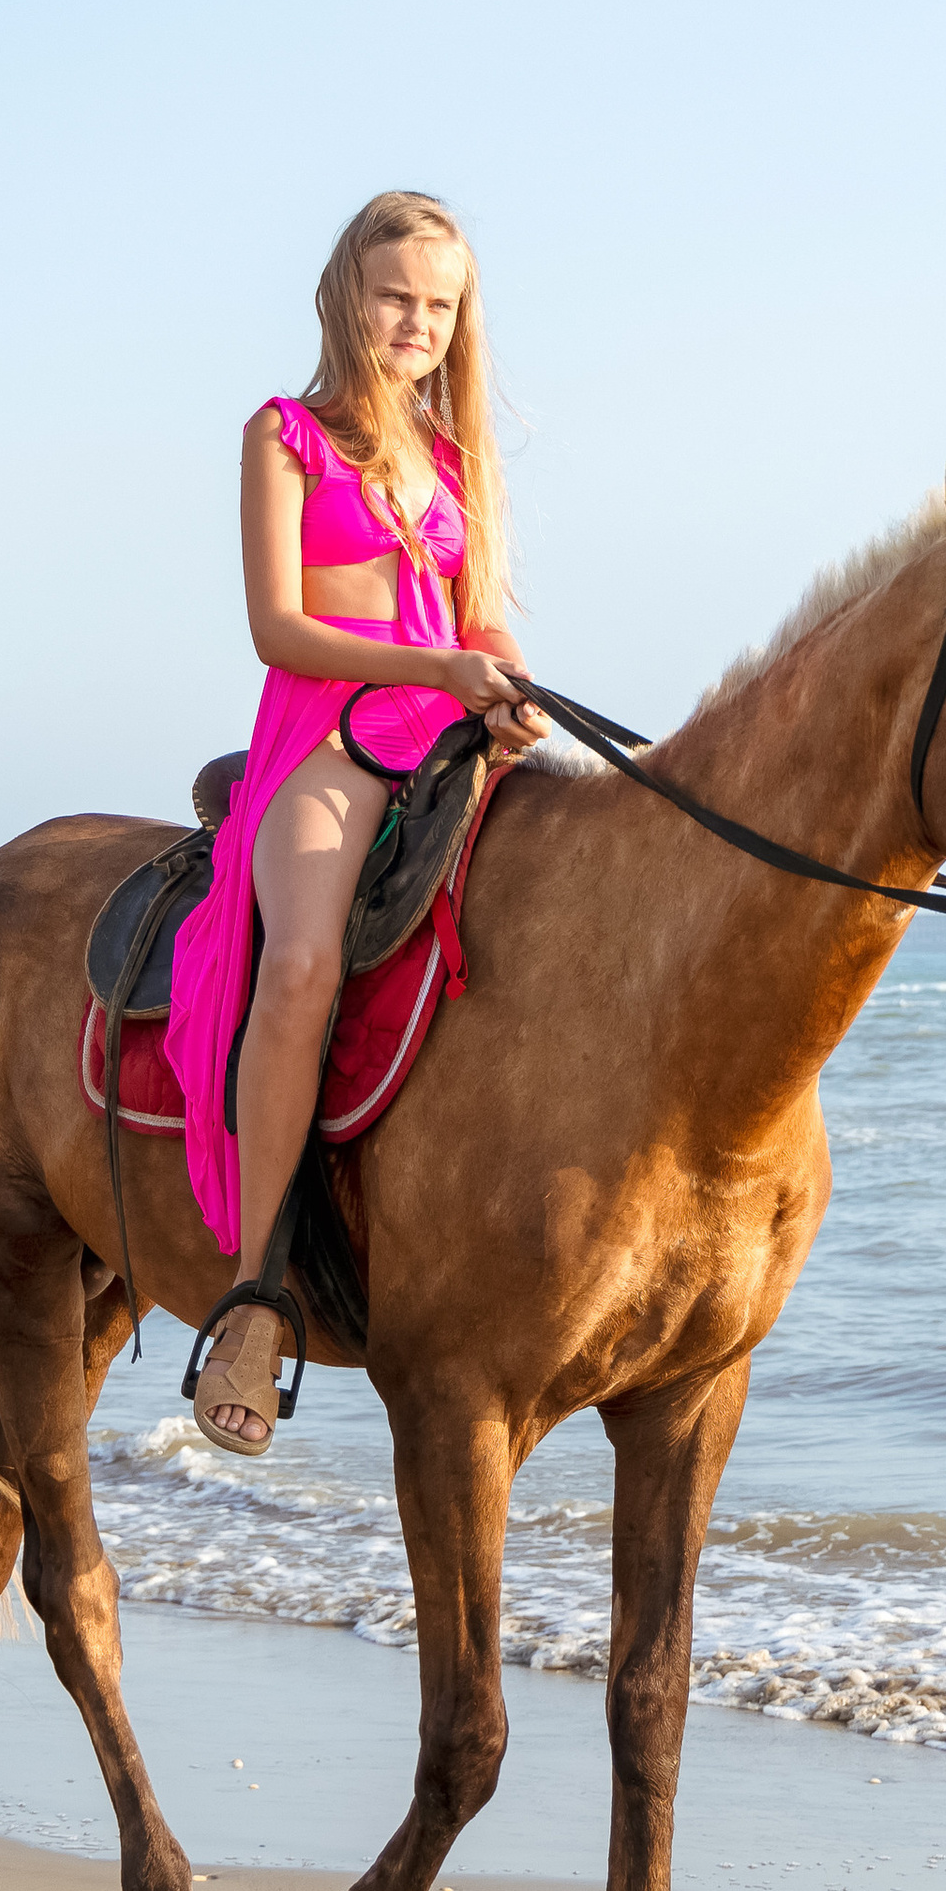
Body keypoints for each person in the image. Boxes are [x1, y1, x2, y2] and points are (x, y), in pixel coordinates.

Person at [166, 189, 543, 1449]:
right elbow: (276, 627)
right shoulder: (284, 437)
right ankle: (257, 1295)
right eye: (397, 296)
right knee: (307, 960)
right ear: (346, 296)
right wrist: (436, 671)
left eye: (440, 305)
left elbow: (481, 612)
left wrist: (501, 684)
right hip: (328, 733)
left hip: (443, 729)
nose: (418, 322)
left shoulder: (455, 460)